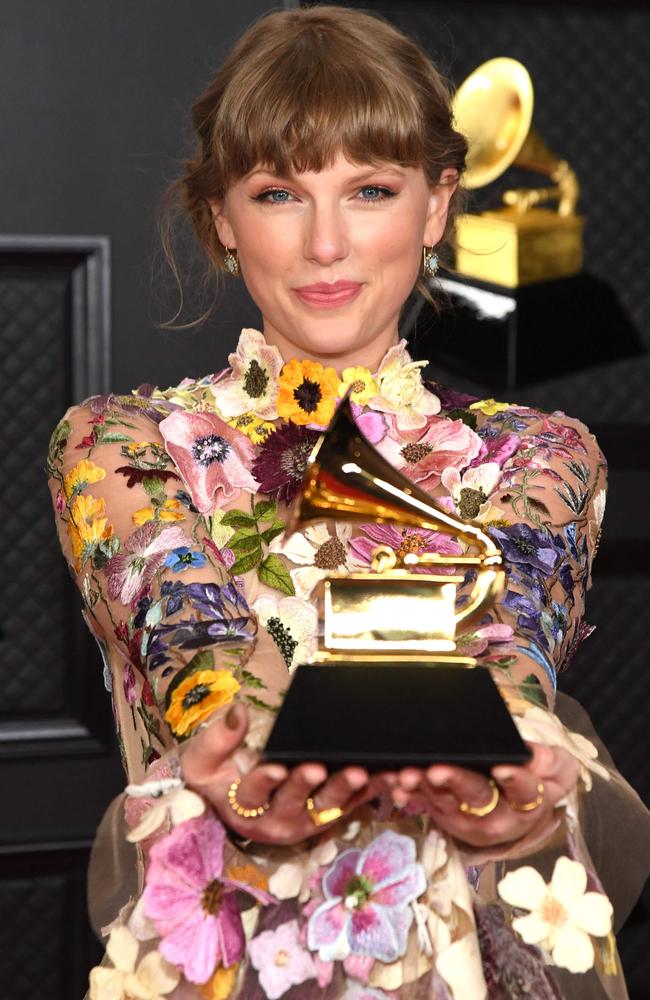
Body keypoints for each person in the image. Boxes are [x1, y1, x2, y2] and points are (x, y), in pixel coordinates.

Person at [47, 6, 650, 999]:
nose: (326, 244)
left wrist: (516, 797)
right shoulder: (118, 444)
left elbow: (508, 670)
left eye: (369, 189)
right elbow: (202, 666)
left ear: (434, 206)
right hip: (230, 955)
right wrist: (242, 771)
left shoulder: (540, 456)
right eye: (279, 192)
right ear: (220, 219)